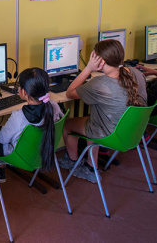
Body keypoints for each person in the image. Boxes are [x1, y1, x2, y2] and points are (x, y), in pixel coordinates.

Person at [58, 39, 147, 183]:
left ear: (101, 61)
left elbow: (70, 93)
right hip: (133, 132)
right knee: (93, 118)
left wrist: (88, 68)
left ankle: (73, 161)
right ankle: (90, 166)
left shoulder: (100, 84)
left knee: (68, 124)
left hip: (110, 135)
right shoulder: (136, 73)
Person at [0, 68, 64, 182]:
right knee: (0, 129)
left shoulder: (19, 117)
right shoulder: (53, 105)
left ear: (23, 92)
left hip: (19, 155)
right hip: (40, 150)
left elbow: (0, 141)